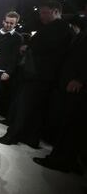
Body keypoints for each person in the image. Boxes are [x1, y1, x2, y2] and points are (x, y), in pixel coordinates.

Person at [0, 1, 73, 148]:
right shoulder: (62, 28)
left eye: (44, 13)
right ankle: (31, 139)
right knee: (37, 110)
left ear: (55, 11)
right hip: (45, 76)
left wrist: (29, 46)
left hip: (37, 74)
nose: (41, 16)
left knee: (23, 107)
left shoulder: (58, 28)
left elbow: (44, 48)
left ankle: (11, 136)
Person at [33, 16, 87, 174]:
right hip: (71, 83)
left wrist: (80, 79)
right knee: (70, 125)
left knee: (71, 126)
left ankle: (60, 160)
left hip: (78, 87)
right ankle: (67, 159)